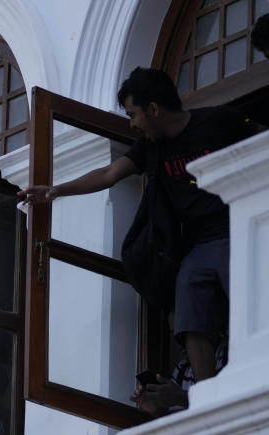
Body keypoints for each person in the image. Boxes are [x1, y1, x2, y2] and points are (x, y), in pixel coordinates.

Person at [19, 67, 259, 385]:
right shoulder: (152, 147)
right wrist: (57, 191)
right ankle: (205, 394)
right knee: (189, 306)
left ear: (154, 109)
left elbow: (261, 143)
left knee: (251, 300)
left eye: (133, 114)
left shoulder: (218, 121)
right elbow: (109, 174)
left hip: (241, 230)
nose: (132, 124)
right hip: (199, 244)